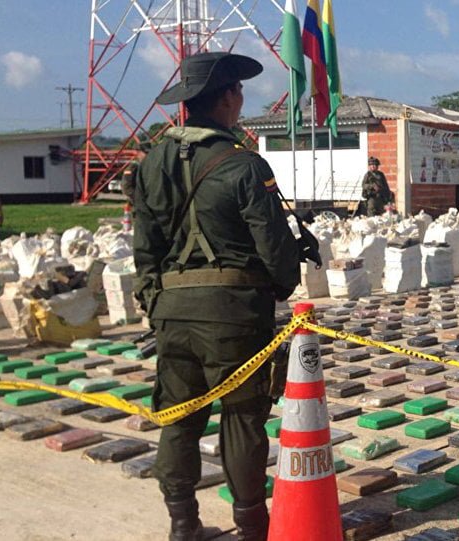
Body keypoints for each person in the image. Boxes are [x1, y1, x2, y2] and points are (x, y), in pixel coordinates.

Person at [133, 52, 303, 541]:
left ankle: (183, 524)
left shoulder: (151, 164)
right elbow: (275, 249)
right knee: (243, 417)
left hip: (170, 312)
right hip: (232, 313)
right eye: (240, 93)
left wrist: (155, 302)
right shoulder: (244, 164)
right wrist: (278, 286)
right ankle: (252, 527)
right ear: (228, 97)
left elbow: (145, 248)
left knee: (178, 416)